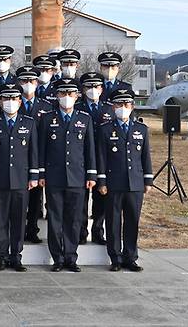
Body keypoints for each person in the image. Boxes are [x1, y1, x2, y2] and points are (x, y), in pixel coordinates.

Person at [38, 79, 96, 272]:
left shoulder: (84, 118)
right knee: (55, 219)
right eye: (63, 94)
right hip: (54, 178)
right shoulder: (47, 118)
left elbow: (90, 151)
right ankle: (58, 258)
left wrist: (91, 175)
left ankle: (71, 257)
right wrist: (41, 174)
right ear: (57, 96)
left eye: (70, 94)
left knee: (73, 219)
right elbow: (42, 150)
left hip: (77, 178)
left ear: (77, 96)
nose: (66, 97)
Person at [0, 84, 39, 272]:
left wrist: (33, 177)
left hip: (22, 181)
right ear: (0, 101)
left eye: (14, 99)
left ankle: (16, 256)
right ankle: (2, 257)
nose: (10, 103)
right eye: (6, 99)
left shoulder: (28, 123)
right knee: (1, 220)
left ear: (20, 101)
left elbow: (33, 153)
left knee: (19, 220)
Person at [97, 89, 152, 272]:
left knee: (132, 221)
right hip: (113, 183)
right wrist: (102, 182)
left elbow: (145, 157)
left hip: (135, 183)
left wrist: (147, 181)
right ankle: (115, 258)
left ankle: (131, 257)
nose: (123, 108)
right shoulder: (105, 129)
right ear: (113, 107)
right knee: (113, 222)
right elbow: (102, 158)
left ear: (132, 106)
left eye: (126, 105)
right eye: (119, 105)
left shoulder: (141, 129)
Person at [76, 72, 115, 245]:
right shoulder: (77, 107)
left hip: (105, 158)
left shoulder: (109, 109)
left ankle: (98, 231)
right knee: (82, 198)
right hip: (82, 158)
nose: (93, 90)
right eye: (89, 87)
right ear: (83, 90)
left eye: (96, 86)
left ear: (101, 89)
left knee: (102, 196)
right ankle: (81, 231)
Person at [16, 66, 54, 244]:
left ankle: (32, 229)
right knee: (18, 199)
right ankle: (17, 231)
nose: (28, 84)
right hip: (17, 158)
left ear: (37, 83)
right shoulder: (14, 102)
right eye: (24, 81)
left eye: (31, 81)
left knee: (35, 198)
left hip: (38, 157)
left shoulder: (46, 106)